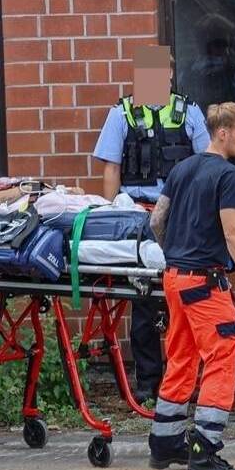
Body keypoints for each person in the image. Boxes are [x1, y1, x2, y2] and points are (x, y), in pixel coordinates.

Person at [147, 101, 235, 470]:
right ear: (223, 133)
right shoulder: (228, 175)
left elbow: (156, 221)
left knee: (181, 356)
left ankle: (165, 441)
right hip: (203, 282)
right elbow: (233, 233)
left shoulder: (182, 168)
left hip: (174, 278)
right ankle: (204, 451)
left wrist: (176, 253)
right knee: (221, 356)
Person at [91, 65, 211, 400]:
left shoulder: (189, 112)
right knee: (143, 299)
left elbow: (207, 164)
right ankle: (148, 382)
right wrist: (109, 214)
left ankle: (182, 380)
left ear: (171, 78)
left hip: (179, 214)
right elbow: (112, 168)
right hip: (137, 215)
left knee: (184, 298)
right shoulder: (121, 113)